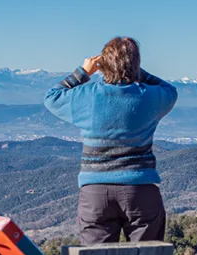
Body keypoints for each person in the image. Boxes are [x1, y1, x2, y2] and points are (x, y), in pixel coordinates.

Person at [44, 37, 178, 244]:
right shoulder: (149, 97)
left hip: (95, 192)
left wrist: (83, 72)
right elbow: (170, 90)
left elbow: (52, 97)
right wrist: (134, 71)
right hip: (140, 190)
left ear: (103, 64)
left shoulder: (88, 96)